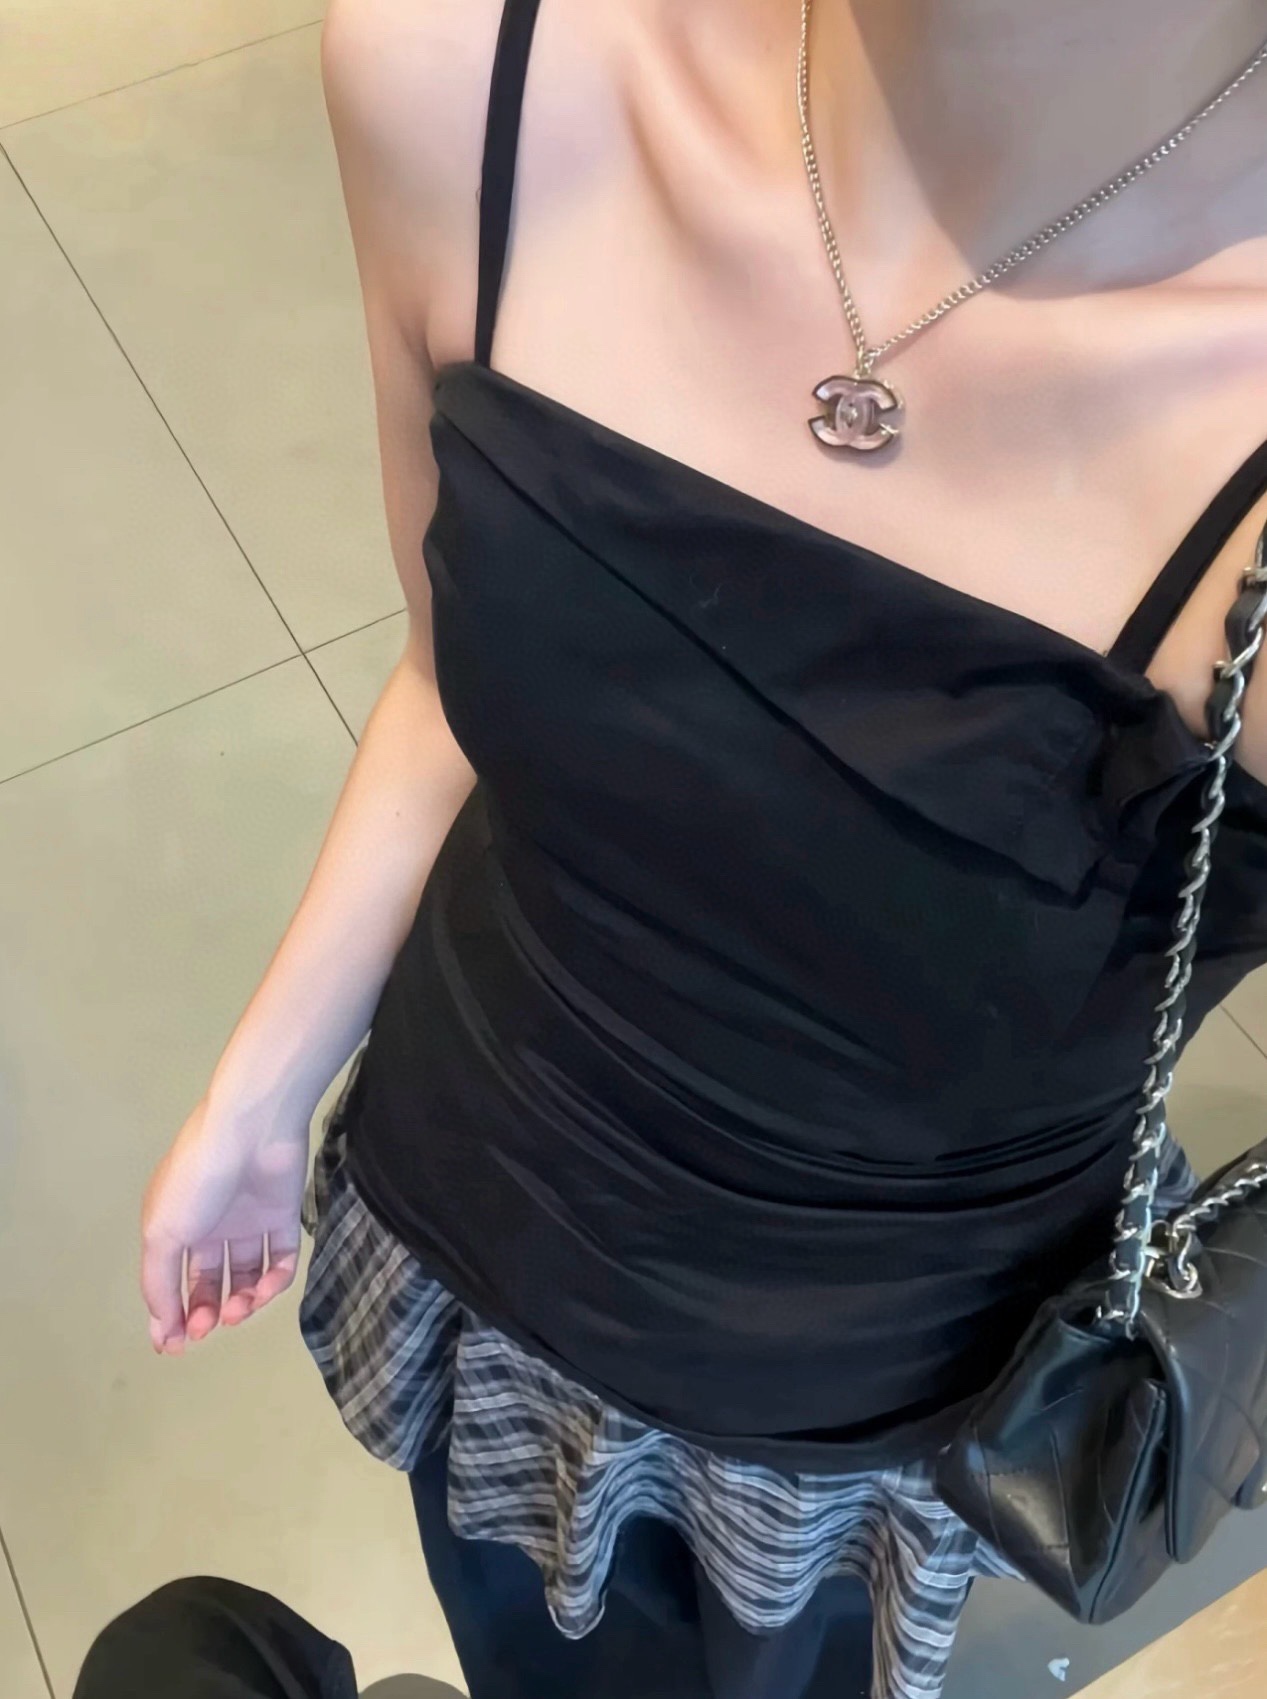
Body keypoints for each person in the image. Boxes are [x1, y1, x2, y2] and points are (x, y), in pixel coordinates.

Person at [140, 2, 1267, 1695]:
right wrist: (263, 1082)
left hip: (882, 1398)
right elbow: (453, 681)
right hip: (482, 1223)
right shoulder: (477, 70)